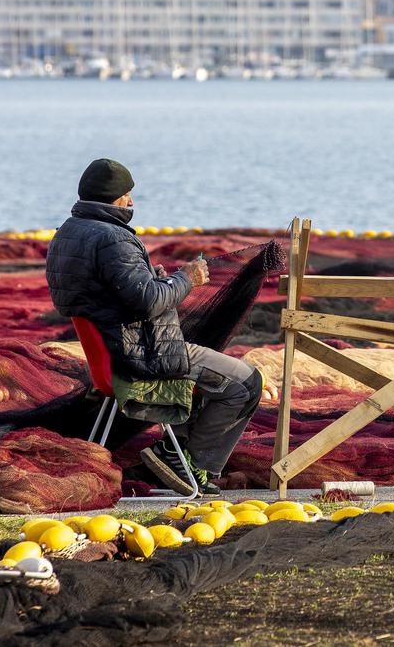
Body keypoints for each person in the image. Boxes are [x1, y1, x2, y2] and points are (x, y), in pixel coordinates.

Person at [46, 158, 262, 494]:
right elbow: (148, 301)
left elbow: (108, 294)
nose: (131, 202)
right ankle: (189, 462)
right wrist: (185, 279)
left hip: (111, 352)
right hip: (142, 355)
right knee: (246, 382)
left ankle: (176, 457)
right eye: (127, 195)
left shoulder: (68, 233)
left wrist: (153, 278)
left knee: (214, 375)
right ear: (112, 197)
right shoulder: (113, 239)